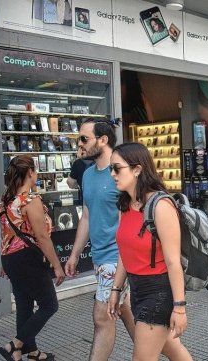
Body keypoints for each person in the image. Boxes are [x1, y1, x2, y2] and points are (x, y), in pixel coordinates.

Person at [107, 143, 192, 361]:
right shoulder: (125, 205)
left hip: (159, 291)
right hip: (137, 289)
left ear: (137, 169)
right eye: (111, 169)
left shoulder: (161, 206)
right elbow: (124, 253)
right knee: (172, 349)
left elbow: (173, 262)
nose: (113, 174)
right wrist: (116, 289)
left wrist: (180, 308)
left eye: (117, 168)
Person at [64, 119, 136, 360]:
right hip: (100, 257)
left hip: (117, 258)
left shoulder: (120, 173)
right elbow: (86, 217)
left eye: (85, 139)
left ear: (103, 140)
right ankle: (153, 349)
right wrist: (74, 255)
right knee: (124, 309)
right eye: (79, 139)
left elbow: (130, 218)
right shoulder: (87, 175)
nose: (80, 144)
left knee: (102, 317)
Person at [0, 155, 65, 361]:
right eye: (35, 171)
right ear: (31, 173)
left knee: (24, 304)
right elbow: (42, 237)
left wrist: (5, 263)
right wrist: (56, 265)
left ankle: (28, 352)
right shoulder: (30, 200)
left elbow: (6, 233)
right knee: (49, 305)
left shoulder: (7, 201)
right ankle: (13, 345)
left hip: (11, 258)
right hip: (28, 258)